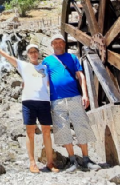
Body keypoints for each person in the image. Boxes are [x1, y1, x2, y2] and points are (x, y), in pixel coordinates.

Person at [0, 37, 59, 174]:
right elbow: (8, 57)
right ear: (27, 54)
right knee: (30, 133)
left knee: (46, 132)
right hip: (28, 102)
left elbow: (51, 82)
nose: (33, 54)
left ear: (38, 53)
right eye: (30, 52)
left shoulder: (45, 67)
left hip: (44, 102)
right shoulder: (23, 65)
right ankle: (32, 163)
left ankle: (50, 162)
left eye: (35, 51)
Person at [42, 34, 101, 172]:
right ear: (52, 45)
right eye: (55, 42)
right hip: (56, 100)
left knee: (81, 125)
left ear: (64, 44)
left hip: (74, 96)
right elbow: (43, 81)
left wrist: (85, 94)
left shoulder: (72, 57)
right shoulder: (47, 61)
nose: (58, 44)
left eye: (60, 42)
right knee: (63, 129)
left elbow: (80, 75)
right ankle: (72, 160)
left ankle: (86, 159)